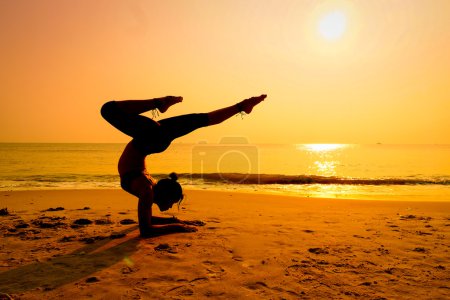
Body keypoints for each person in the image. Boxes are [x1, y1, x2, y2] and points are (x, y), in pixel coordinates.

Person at [101, 94, 266, 236]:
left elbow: (146, 224)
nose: (170, 206)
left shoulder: (147, 191)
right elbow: (147, 227)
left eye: (172, 203)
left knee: (201, 120)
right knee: (201, 120)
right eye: (172, 202)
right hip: (152, 139)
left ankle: (241, 106)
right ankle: (241, 106)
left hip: (153, 140)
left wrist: (176, 221)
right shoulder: (147, 190)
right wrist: (177, 225)